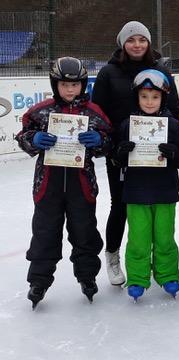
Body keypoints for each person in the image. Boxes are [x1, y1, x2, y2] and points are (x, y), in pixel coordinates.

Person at [15, 57, 112, 308]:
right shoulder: (41, 111)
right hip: (48, 184)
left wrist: (99, 141)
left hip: (82, 184)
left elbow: (108, 140)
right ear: (55, 84)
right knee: (45, 232)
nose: (70, 90)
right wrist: (33, 139)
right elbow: (23, 135)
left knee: (85, 231)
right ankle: (39, 280)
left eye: (76, 85)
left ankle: (87, 276)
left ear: (83, 85)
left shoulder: (94, 112)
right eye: (64, 85)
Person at [92, 20, 179, 286]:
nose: (137, 44)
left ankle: (161, 267)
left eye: (142, 39)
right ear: (122, 43)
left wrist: (170, 143)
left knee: (157, 210)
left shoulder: (161, 70)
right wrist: (112, 147)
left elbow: (173, 110)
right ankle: (113, 255)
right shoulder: (109, 73)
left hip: (155, 153)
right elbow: (98, 114)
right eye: (131, 40)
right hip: (121, 152)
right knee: (120, 204)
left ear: (149, 43)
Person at [114, 69, 179, 301]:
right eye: (144, 96)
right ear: (137, 97)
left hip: (165, 192)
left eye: (155, 97)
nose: (149, 102)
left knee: (165, 237)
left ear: (163, 98)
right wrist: (121, 152)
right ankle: (137, 278)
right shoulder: (128, 124)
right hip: (136, 193)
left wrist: (174, 153)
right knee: (138, 239)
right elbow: (115, 158)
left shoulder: (173, 125)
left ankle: (168, 275)